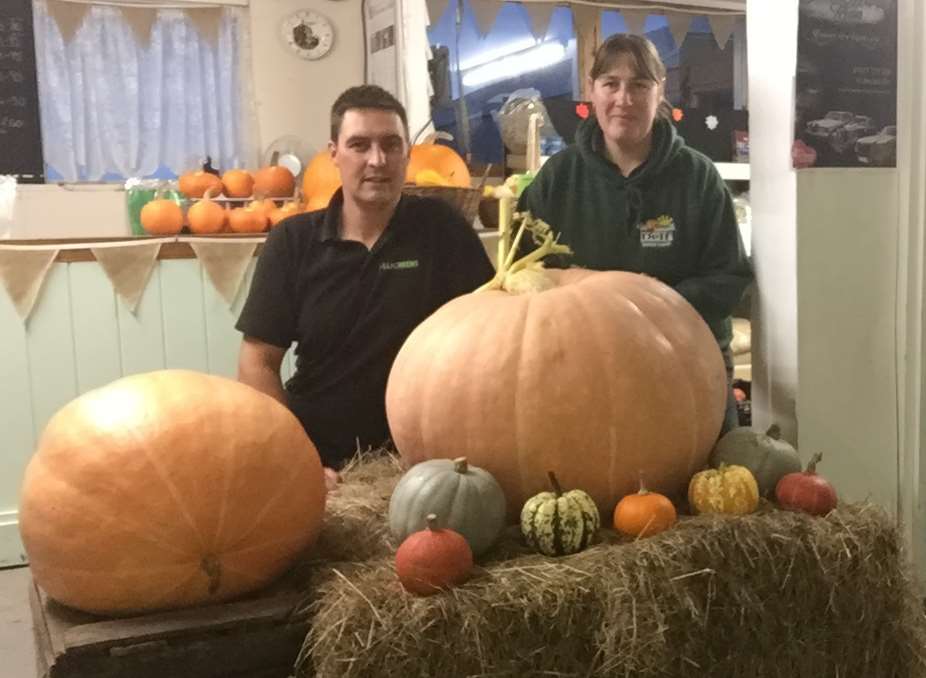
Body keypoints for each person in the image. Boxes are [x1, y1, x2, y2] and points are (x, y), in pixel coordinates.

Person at [236, 85, 494, 487]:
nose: (378, 160)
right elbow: (257, 362)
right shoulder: (293, 241)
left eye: (391, 144)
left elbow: (492, 340)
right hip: (321, 461)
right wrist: (293, 457)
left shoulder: (443, 230)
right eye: (360, 145)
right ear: (333, 153)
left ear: (408, 152)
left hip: (429, 463)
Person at [517, 34, 753, 433]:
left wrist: (645, 305)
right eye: (611, 84)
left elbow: (728, 278)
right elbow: (524, 276)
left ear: (661, 92)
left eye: (639, 85)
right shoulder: (557, 178)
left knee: (709, 484)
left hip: (686, 359)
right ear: (592, 91)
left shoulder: (698, 178)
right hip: (586, 367)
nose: (624, 99)